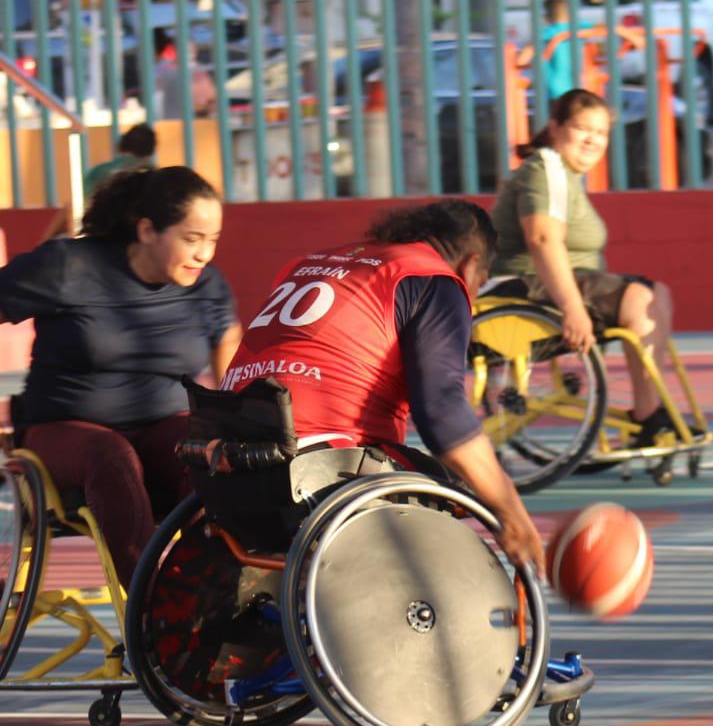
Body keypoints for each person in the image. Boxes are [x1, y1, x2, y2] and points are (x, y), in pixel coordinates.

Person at [221, 198, 544, 571]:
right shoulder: (431, 278)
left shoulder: (307, 263)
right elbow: (442, 414)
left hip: (227, 455)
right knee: (456, 481)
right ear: (472, 266)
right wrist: (512, 512)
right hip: (315, 464)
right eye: (479, 284)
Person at [0, 166, 241, 586]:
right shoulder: (67, 266)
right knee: (111, 455)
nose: (205, 254)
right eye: (191, 239)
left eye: (212, 240)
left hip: (160, 426)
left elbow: (230, 357)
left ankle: (212, 590)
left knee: (209, 455)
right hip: (62, 430)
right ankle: (155, 607)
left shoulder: (206, 286)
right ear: (147, 230)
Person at [486, 88, 679, 445]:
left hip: (542, 286)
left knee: (656, 294)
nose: (593, 139)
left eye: (601, 132)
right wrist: (572, 307)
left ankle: (648, 410)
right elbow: (542, 239)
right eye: (582, 128)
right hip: (519, 287)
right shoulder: (546, 169)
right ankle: (651, 417)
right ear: (555, 127)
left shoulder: (562, 174)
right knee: (638, 298)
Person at [39, 123, 158, 241]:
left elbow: (73, 207)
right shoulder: (154, 175)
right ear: (151, 149)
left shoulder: (99, 172)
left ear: (123, 143)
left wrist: (44, 242)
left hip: (99, 240)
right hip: (141, 242)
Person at [517, 0, 576, 106]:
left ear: (547, 16)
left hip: (553, 90)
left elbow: (522, 60)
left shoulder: (544, 34)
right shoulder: (579, 29)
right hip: (577, 89)